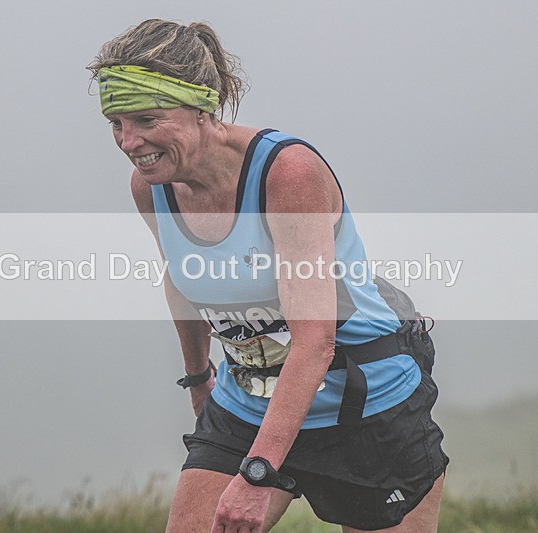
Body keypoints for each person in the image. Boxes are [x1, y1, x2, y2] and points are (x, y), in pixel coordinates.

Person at [88, 19, 448, 533]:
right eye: (116, 123)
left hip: (364, 402)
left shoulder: (287, 173)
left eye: (146, 119)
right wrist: (199, 377)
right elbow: (181, 279)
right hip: (249, 399)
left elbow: (316, 341)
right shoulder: (151, 186)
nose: (128, 141)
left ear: (202, 106)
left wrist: (258, 473)